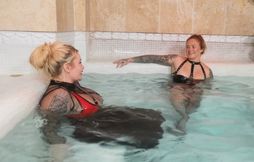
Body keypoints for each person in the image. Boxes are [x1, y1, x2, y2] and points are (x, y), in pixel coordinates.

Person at [29, 42, 165, 162]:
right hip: (92, 129)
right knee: (147, 135)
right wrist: (59, 154)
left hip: (103, 120)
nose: (83, 67)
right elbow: (49, 128)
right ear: (67, 67)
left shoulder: (73, 85)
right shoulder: (59, 95)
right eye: (80, 62)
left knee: (152, 116)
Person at [113, 34, 213, 134]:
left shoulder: (207, 72)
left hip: (195, 93)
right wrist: (130, 59)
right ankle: (183, 117)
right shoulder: (177, 60)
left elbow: (209, 88)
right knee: (178, 94)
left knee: (197, 96)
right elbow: (153, 58)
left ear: (201, 49)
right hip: (177, 89)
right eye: (187, 46)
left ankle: (184, 119)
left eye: (193, 46)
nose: (189, 49)